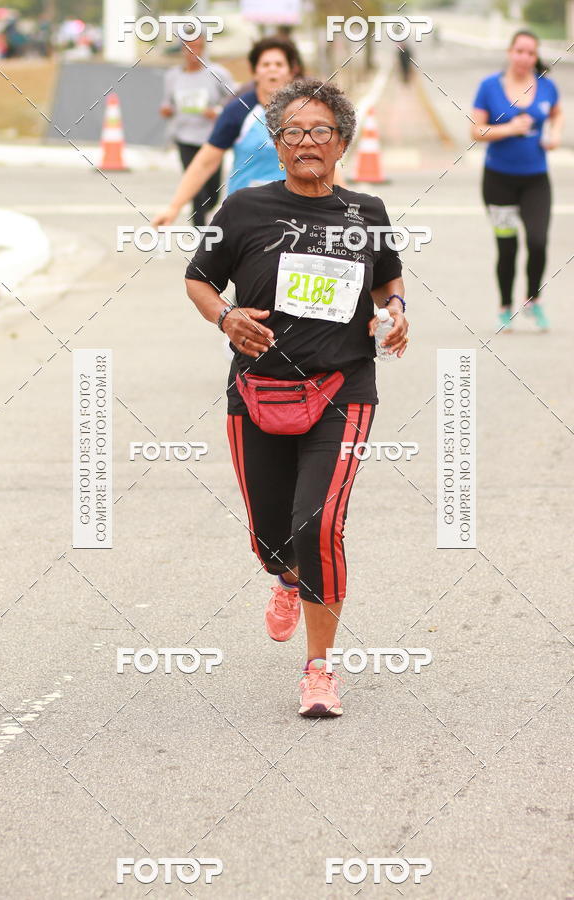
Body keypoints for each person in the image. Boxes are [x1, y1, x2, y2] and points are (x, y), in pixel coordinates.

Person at [184, 78, 408, 718]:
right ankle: (284, 576)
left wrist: (393, 313)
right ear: (277, 145)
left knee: (320, 525)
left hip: (343, 388)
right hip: (257, 391)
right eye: (293, 133)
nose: (307, 143)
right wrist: (225, 318)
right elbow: (198, 282)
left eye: (320, 132)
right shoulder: (243, 211)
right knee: (271, 535)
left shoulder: (367, 213)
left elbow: (389, 284)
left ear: (342, 142)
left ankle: (318, 671)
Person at [153, 37, 303, 227]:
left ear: (291, 71)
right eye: (265, 64)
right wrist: (174, 207)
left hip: (292, 215)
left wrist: (346, 209)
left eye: (279, 64)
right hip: (245, 214)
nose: (272, 69)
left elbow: (325, 162)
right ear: (255, 72)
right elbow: (205, 162)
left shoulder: (306, 112)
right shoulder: (238, 111)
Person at [471, 30, 563, 332]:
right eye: (520, 51)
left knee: (538, 242)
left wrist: (555, 134)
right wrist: (509, 129)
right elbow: (476, 131)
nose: (524, 57)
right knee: (507, 247)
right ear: (510, 52)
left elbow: (557, 114)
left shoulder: (547, 88)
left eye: (530, 53)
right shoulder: (489, 87)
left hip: (536, 181)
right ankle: (505, 306)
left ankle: (533, 300)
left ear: (535, 58)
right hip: (498, 182)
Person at [160, 33, 234, 226]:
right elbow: (168, 104)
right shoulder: (173, 76)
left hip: (212, 139)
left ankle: (200, 216)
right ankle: (200, 234)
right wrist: (166, 110)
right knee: (196, 191)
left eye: (198, 46)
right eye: (189, 47)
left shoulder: (217, 73)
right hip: (184, 137)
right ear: (182, 49)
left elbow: (234, 102)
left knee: (212, 193)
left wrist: (217, 111)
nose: (194, 52)